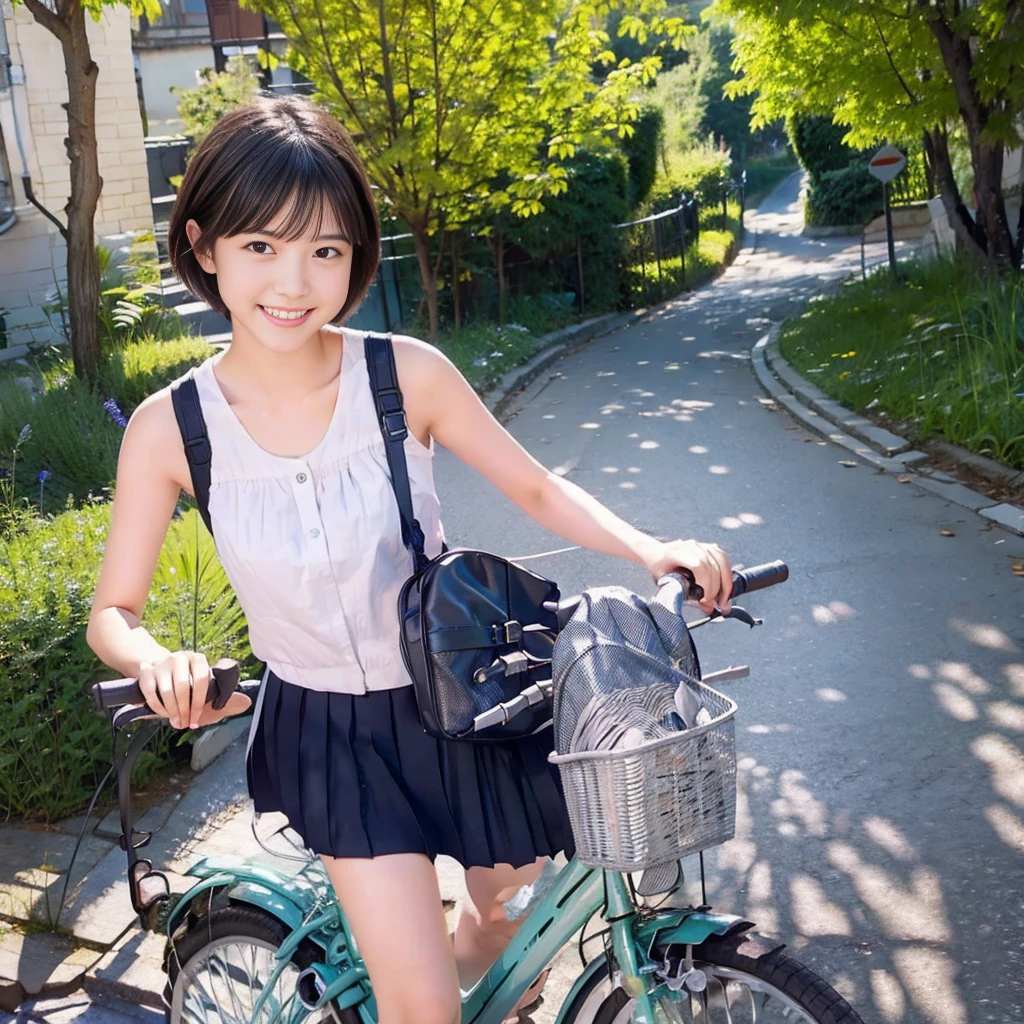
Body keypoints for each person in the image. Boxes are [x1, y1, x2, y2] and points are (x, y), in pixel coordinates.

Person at [86, 96, 733, 1024]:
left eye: (325, 250)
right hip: (333, 740)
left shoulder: (405, 375)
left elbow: (541, 489)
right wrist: (157, 662)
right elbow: (114, 611)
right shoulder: (169, 431)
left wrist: (651, 547)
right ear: (204, 246)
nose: (294, 280)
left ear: (355, 255)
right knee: (421, 1010)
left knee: (504, 933)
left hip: (462, 700)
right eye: (260, 246)